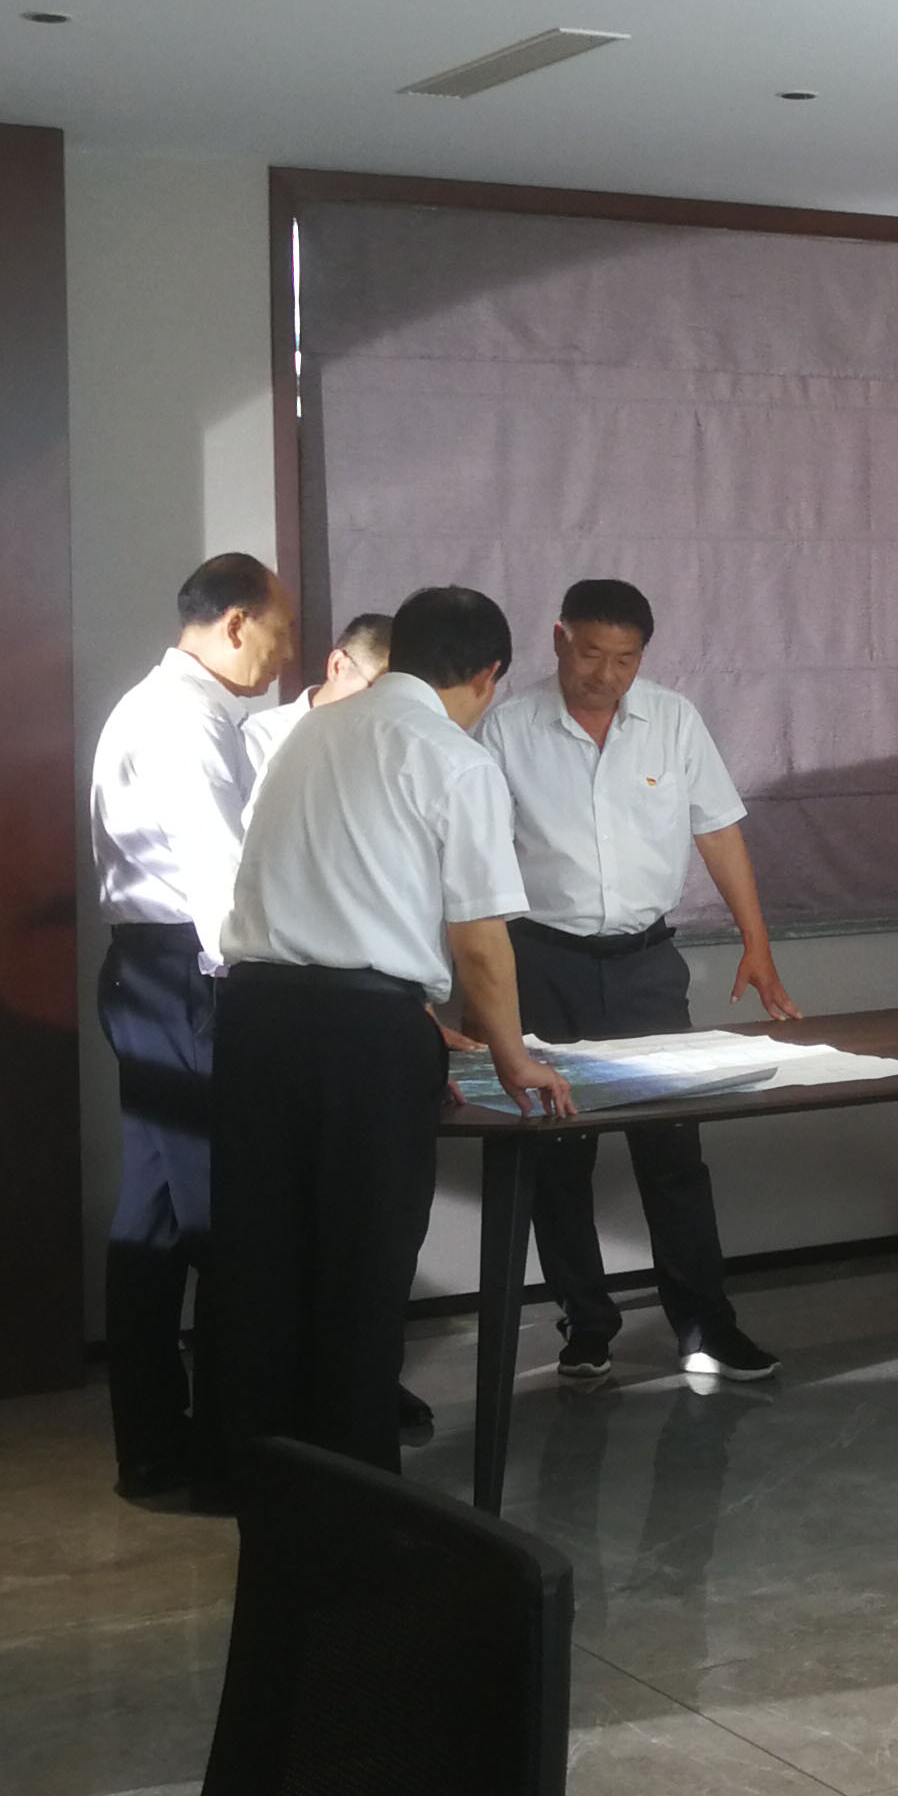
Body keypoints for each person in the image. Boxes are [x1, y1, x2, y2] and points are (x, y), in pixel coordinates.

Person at [213, 585, 574, 1482]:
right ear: (490, 675)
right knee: (362, 1268)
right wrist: (513, 1056)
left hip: (255, 1021)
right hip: (361, 1036)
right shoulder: (452, 759)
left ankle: (253, 1484)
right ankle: (356, 1495)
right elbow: (479, 941)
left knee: (261, 1262)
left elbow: (323, 887)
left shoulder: (309, 734)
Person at [477, 578, 799, 1388]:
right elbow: (473, 860)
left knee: (673, 1151)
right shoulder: (507, 728)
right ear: (558, 638)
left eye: (625, 659)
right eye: (591, 654)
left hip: (647, 966)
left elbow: (718, 832)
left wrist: (757, 944)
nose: (607, 674)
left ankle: (705, 1324)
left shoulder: (673, 720)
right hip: (543, 961)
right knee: (559, 1156)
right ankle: (586, 1326)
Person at [85, 552, 291, 1501]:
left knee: (155, 1221)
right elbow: (221, 884)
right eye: (280, 633)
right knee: (228, 1218)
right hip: (190, 977)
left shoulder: (168, 706)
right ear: (237, 622)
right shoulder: (186, 719)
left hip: (154, 974)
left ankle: (153, 1446)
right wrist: (269, 994)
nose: (283, 656)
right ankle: (230, 1451)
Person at [239, 610, 390, 780]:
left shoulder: (392, 752)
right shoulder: (254, 741)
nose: (385, 709)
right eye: (378, 691)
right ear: (338, 666)